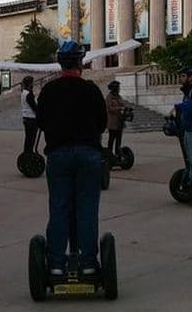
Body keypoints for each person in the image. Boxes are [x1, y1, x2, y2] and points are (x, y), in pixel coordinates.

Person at [36, 40, 107, 276]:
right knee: (87, 209)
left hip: (59, 154)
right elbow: (102, 123)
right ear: (81, 63)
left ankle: (56, 264)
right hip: (88, 153)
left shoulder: (49, 91)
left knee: (59, 208)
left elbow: (41, 122)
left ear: (60, 63)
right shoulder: (91, 90)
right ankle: (88, 264)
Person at [105, 80, 125, 156]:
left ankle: (118, 153)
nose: (119, 89)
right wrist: (119, 108)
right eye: (118, 87)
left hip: (119, 122)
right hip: (112, 123)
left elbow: (122, 104)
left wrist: (123, 108)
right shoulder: (109, 97)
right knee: (111, 139)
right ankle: (109, 154)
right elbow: (110, 108)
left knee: (119, 140)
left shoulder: (118, 97)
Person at [20, 75, 38, 154]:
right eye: (32, 83)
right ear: (30, 84)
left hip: (26, 117)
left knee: (28, 138)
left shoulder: (24, 92)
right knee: (31, 138)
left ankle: (27, 153)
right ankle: (29, 153)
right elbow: (33, 106)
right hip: (31, 118)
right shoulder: (28, 94)